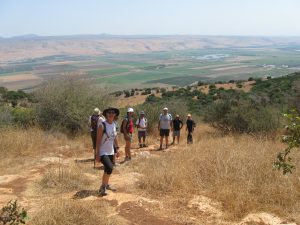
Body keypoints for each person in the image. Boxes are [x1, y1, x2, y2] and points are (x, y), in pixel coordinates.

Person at [96, 107, 120, 196]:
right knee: (110, 167)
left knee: (107, 169)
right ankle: (103, 186)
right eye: (109, 113)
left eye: (112, 113)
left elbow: (115, 137)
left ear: (115, 115)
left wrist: (117, 149)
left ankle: (105, 184)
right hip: (103, 152)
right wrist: (97, 154)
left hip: (110, 151)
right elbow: (98, 141)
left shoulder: (114, 124)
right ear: (106, 114)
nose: (111, 114)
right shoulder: (102, 125)